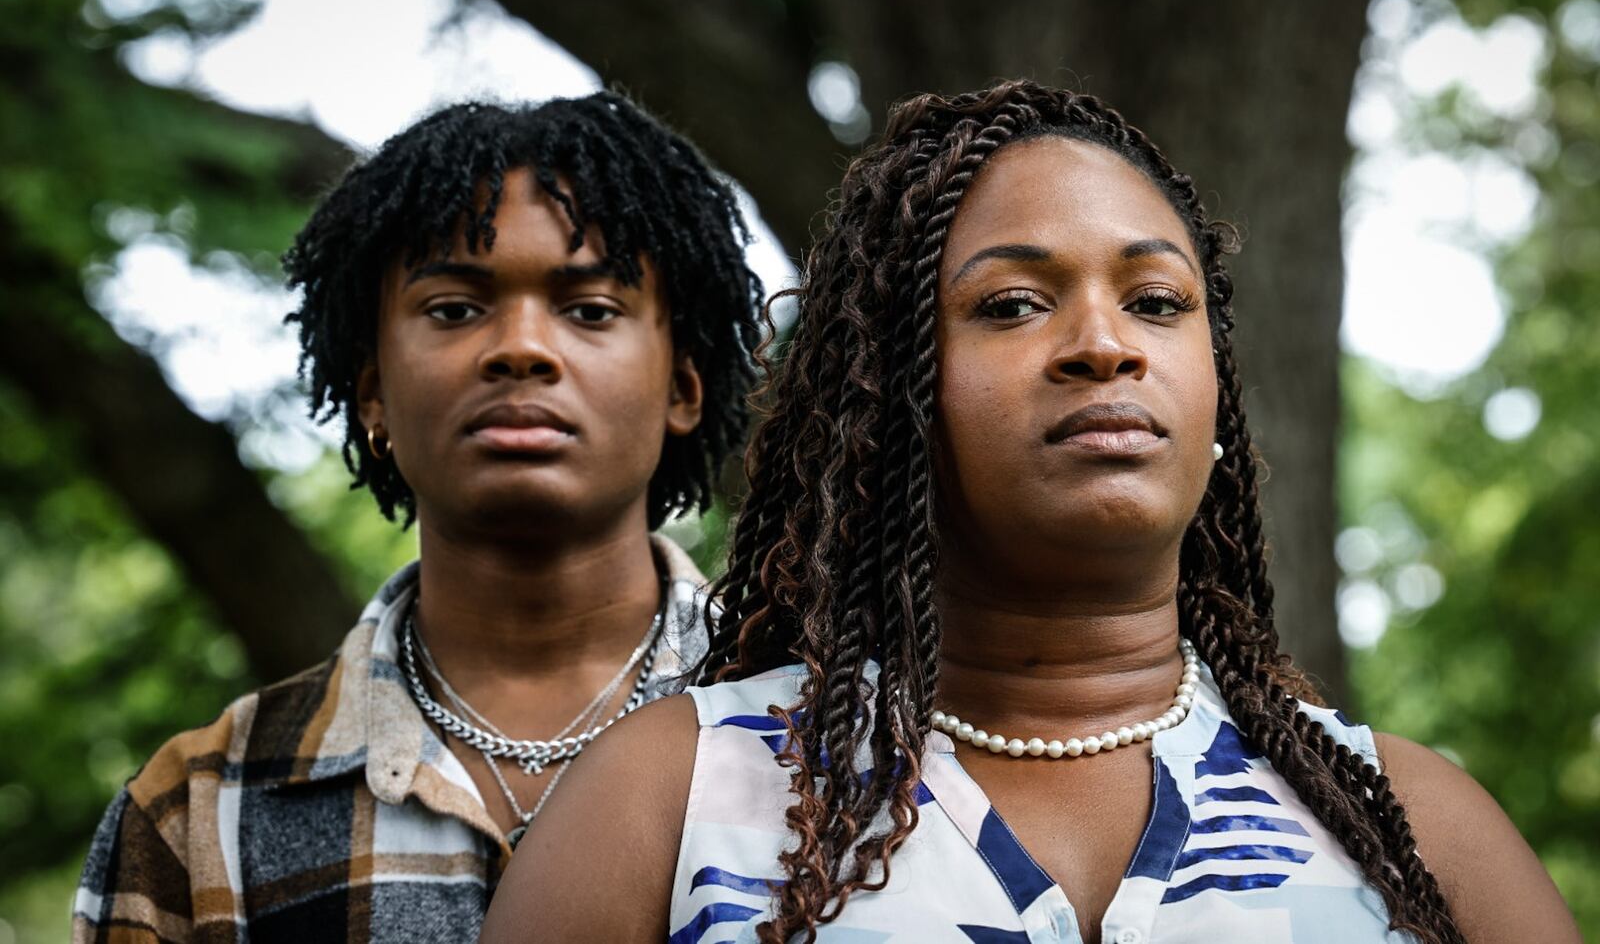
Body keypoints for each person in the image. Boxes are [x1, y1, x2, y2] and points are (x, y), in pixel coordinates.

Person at [481, 81, 1581, 944]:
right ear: (888, 398)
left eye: (1156, 302)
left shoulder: (1414, 824)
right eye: (1009, 304)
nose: (1107, 344)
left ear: (1215, 396)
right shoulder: (665, 800)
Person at [72, 92, 763, 942]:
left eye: (590, 310)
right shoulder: (194, 813)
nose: (521, 346)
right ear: (373, 394)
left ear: (683, 390)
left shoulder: (853, 745)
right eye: (453, 309)